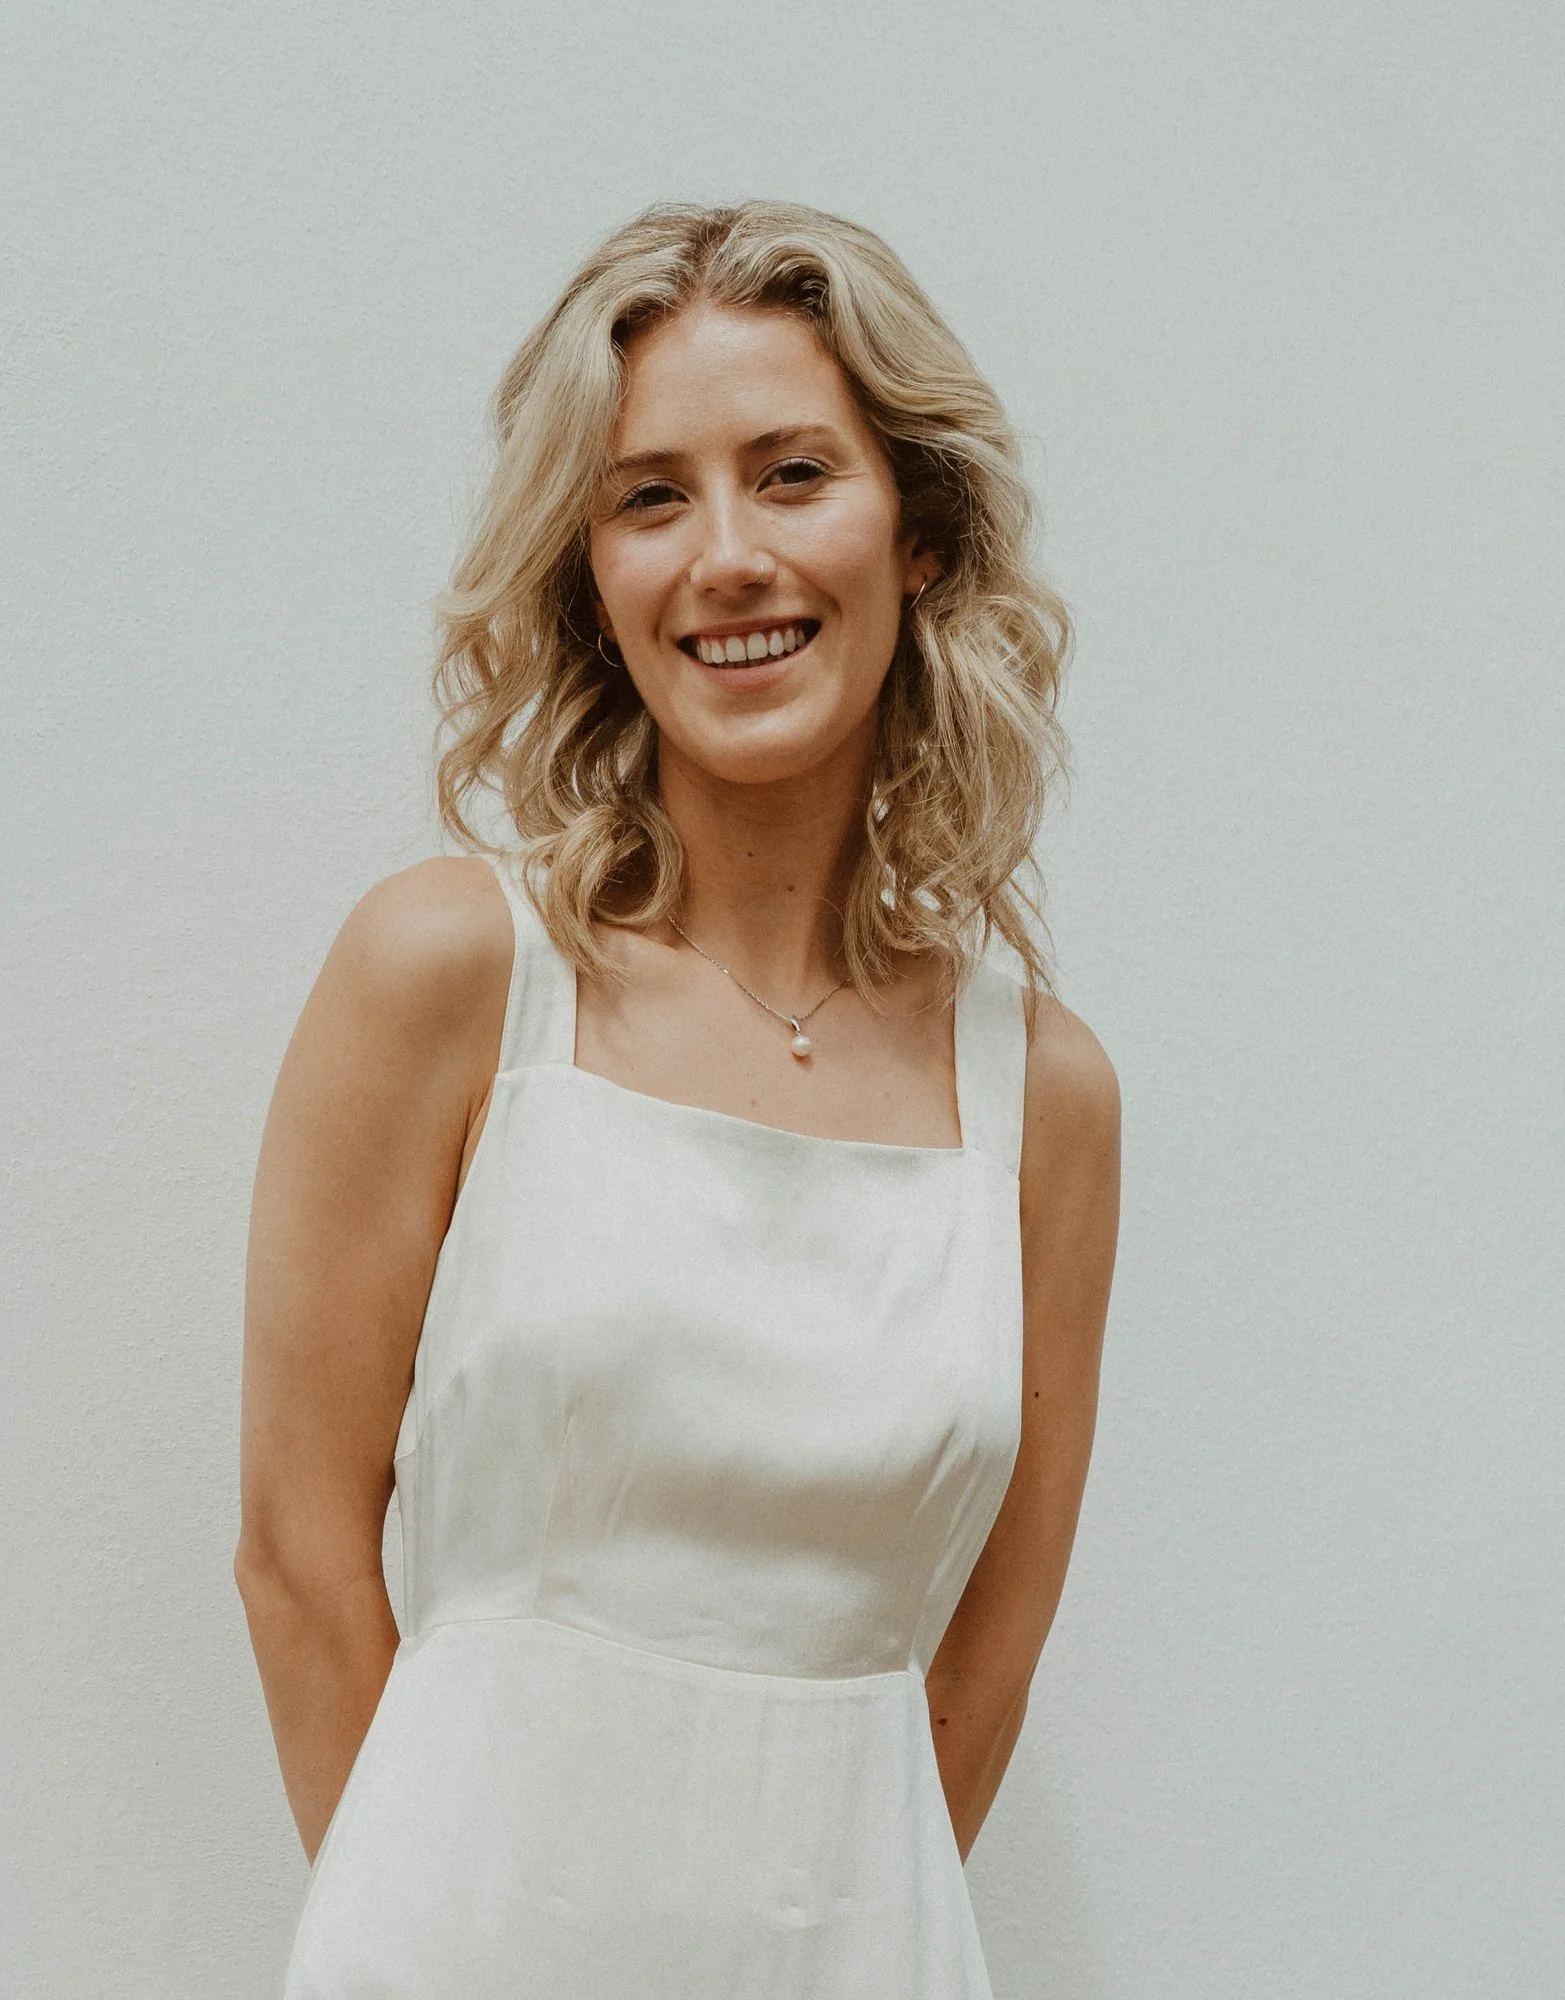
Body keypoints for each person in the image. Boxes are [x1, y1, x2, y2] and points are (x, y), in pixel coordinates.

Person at [238, 199, 1121, 1997]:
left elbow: (985, 1669)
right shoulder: (448, 976)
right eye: (653, 497)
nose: (729, 556)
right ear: (592, 576)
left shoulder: (1041, 1093)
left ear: (921, 534)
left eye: (793, 473)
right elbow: (299, 1563)